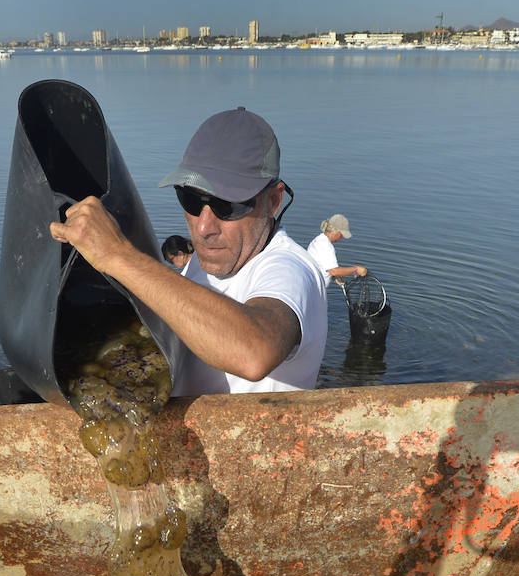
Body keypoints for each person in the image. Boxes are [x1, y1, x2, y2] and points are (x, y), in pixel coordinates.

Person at [50, 107, 327, 396]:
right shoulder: (204, 261)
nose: (204, 227)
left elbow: (255, 352)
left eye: (227, 206)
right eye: (191, 200)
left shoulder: (290, 269)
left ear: (273, 201)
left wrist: (119, 256)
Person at [307, 214, 366, 283]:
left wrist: (336, 277)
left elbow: (323, 264)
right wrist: (356, 269)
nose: (342, 237)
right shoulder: (327, 246)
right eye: (342, 234)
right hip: (316, 287)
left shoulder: (319, 239)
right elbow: (334, 271)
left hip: (311, 281)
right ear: (336, 231)